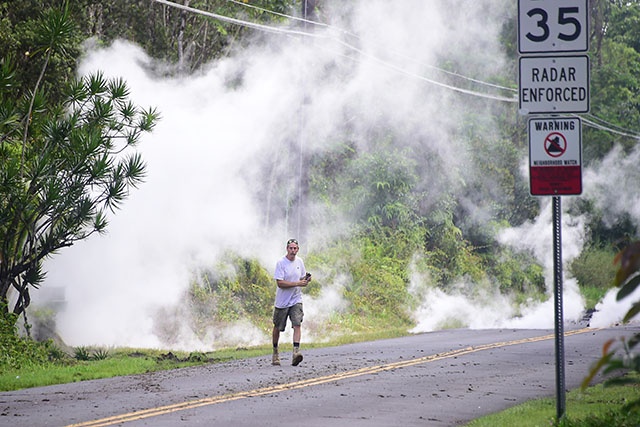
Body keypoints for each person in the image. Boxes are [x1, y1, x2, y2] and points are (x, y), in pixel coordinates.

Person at [272, 238, 311, 366]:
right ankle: (275, 352)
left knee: (297, 324)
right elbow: (280, 283)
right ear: (287, 249)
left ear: (298, 249)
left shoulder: (300, 262)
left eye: (295, 248)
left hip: (296, 299)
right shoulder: (281, 263)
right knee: (278, 327)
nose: (293, 251)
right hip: (282, 301)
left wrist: (306, 280)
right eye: (291, 248)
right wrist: (297, 283)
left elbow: (301, 277)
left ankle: (296, 352)